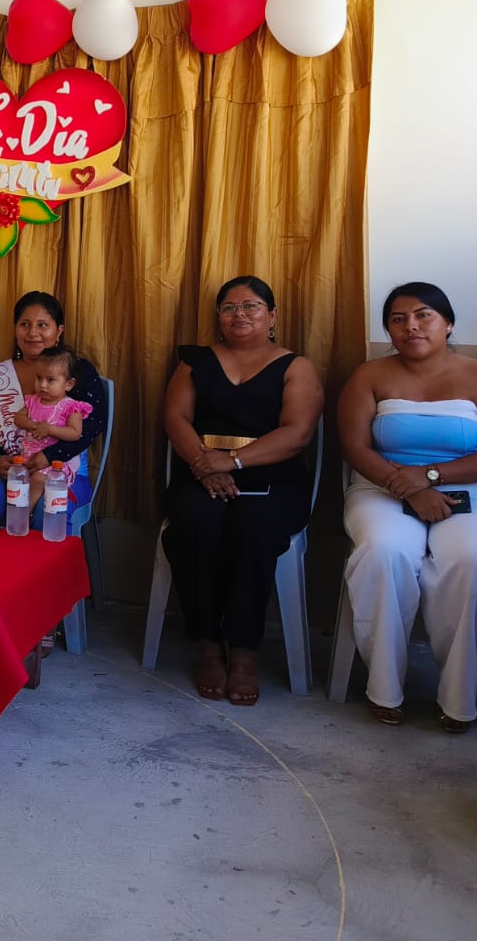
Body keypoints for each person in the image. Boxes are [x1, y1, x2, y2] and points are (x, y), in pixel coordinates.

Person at [340, 282, 477, 732]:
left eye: (424, 315)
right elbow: (355, 448)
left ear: (448, 323)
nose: (411, 326)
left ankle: (458, 694)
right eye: (398, 319)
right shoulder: (369, 375)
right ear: (388, 330)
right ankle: (384, 687)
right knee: (385, 552)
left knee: (475, 562)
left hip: (474, 490)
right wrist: (409, 488)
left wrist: (431, 477)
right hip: (383, 487)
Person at [161, 276, 322, 706]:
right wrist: (205, 465)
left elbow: (297, 433)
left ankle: (245, 651)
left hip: (273, 478)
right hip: (200, 471)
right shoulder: (195, 362)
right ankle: (208, 644)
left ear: (272, 315)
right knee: (195, 525)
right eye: (229, 308)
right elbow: (176, 418)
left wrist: (231, 461)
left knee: (254, 528)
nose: (239, 315)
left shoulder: (296, 367)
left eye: (251, 306)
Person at [0, 292, 109, 526]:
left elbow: (93, 425)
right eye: (24, 324)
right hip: (8, 466)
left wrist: (50, 456)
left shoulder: (77, 371)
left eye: (42, 325)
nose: (32, 333)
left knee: (49, 511)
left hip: (61, 468)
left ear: (59, 331)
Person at [10, 346, 93, 511]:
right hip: (29, 458)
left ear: (68, 384)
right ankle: (13, 509)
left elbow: (75, 433)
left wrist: (50, 430)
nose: (42, 385)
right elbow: (18, 418)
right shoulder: (33, 401)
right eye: (38, 378)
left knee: (38, 479)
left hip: (57, 464)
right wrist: (33, 425)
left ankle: (24, 513)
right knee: (17, 477)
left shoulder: (71, 407)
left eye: (50, 380)